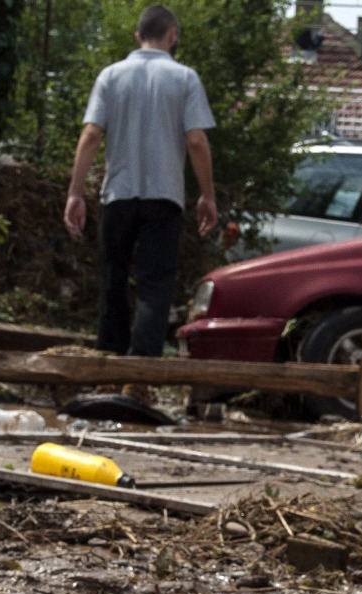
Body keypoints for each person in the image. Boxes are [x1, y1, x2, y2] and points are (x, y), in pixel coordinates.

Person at [64, 4, 218, 357]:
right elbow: (196, 140)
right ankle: (139, 375)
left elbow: (90, 135)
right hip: (164, 198)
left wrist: (75, 193)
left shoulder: (110, 76)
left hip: (118, 195)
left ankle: (109, 365)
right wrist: (207, 195)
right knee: (155, 285)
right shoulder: (185, 78)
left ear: (138, 36)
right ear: (173, 34)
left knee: (112, 281)